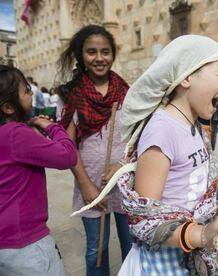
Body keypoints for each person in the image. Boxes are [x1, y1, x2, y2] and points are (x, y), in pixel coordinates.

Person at [105, 34, 218, 275]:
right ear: (187, 76)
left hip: (187, 255)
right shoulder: (162, 131)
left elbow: (182, 180)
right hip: (163, 262)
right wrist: (203, 234)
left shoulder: (194, 125)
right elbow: (145, 222)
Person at [55, 25, 132, 276]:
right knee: (95, 250)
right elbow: (69, 146)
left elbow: (138, 138)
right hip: (91, 187)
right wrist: (86, 184)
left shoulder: (126, 92)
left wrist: (122, 167)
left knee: (132, 245)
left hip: (125, 184)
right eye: (91, 52)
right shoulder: (71, 95)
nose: (99, 58)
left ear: (113, 54)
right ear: (82, 56)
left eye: (105, 51)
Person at [0, 65, 77, 275]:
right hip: (27, 246)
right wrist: (52, 126)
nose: (30, 94)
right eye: (26, 90)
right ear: (8, 107)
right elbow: (67, 156)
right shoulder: (15, 134)